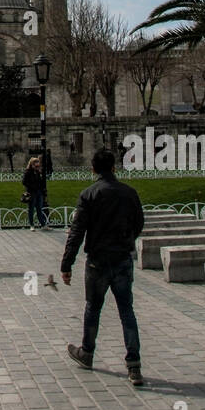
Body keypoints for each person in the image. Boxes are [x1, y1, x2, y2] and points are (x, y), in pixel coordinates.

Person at [60, 148, 145, 387]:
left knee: (93, 307)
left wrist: (67, 263)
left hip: (98, 260)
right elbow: (139, 223)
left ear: (93, 169)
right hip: (121, 258)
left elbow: (77, 232)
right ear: (114, 168)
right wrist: (126, 240)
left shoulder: (89, 195)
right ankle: (134, 364)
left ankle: (87, 352)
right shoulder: (129, 193)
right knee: (126, 310)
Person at [22, 157, 47, 230]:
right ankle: (32, 225)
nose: (37, 166)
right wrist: (32, 187)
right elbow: (24, 182)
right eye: (36, 165)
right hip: (32, 192)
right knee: (31, 209)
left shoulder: (38, 172)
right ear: (32, 164)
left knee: (39, 209)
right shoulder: (28, 172)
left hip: (39, 192)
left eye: (38, 165)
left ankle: (43, 225)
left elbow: (40, 182)